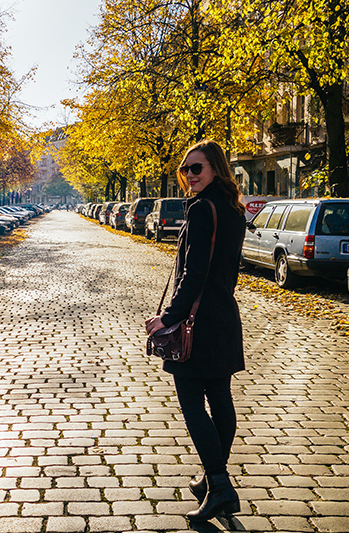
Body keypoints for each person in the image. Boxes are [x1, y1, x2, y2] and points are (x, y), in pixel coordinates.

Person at [145, 139, 246, 524]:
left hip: (197, 324)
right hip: (223, 315)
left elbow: (193, 274)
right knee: (220, 397)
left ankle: (219, 484)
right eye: (185, 170)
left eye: (197, 169)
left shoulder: (204, 209)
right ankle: (211, 479)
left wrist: (168, 317)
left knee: (192, 403)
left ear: (217, 169)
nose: (189, 176)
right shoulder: (232, 209)